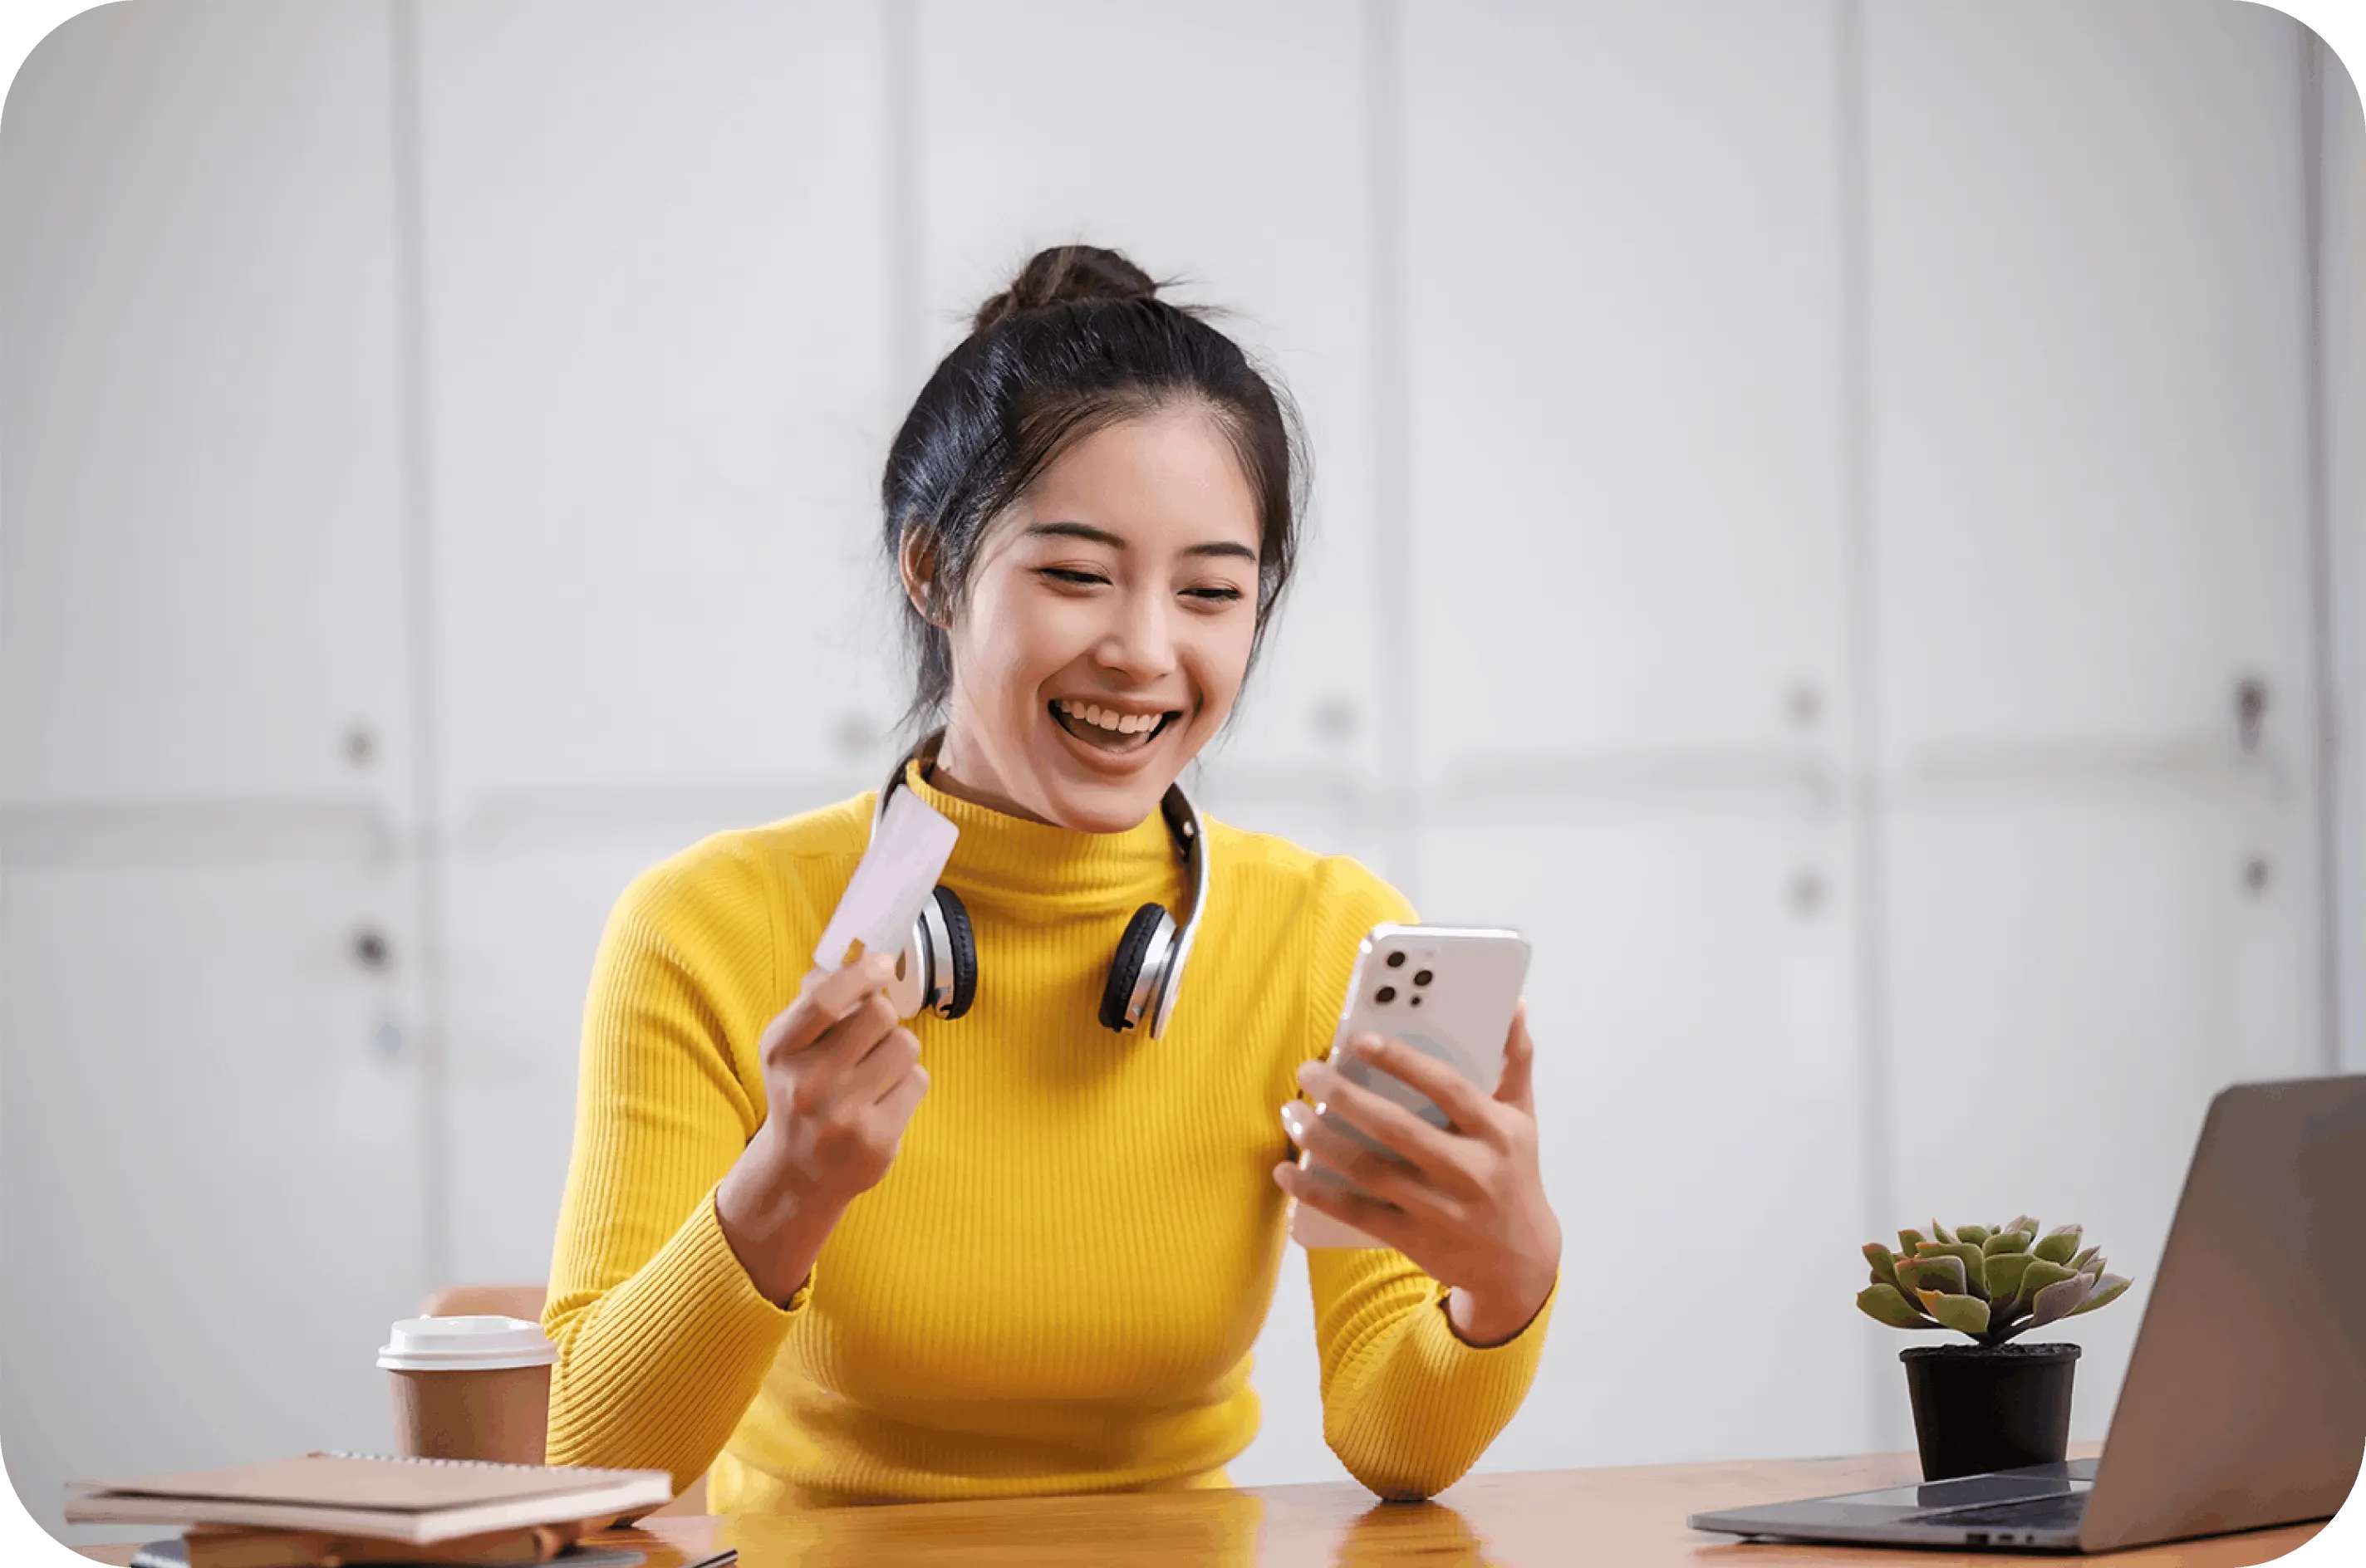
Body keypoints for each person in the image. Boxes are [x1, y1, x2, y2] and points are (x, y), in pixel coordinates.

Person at [541, 246, 1562, 1510]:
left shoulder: (1325, 935)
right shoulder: (707, 929)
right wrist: (784, 1189)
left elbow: (1393, 1446)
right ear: (933, 571)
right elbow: (594, 1464)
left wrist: (1506, 1280)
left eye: (1211, 592)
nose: (1143, 651)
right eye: (1076, 575)